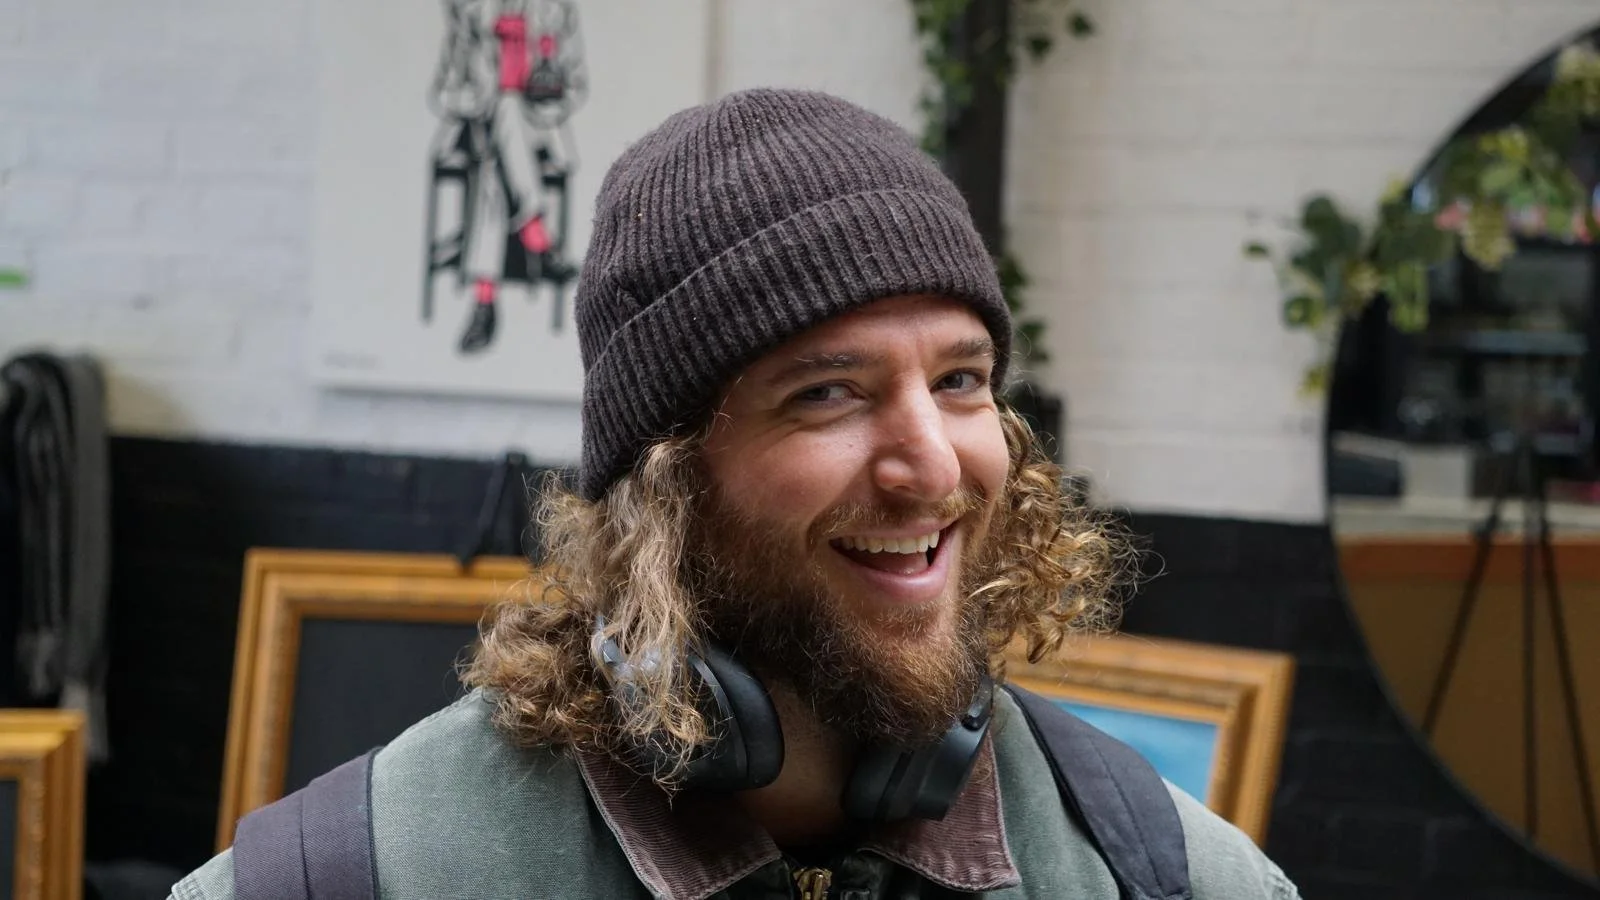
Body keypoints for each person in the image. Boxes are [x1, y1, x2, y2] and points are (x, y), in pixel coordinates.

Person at [171, 88, 1300, 899]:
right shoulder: (344, 876)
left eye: (960, 381)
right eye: (826, 394)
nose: (934, 463)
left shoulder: (1160, 871)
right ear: (661, 483)